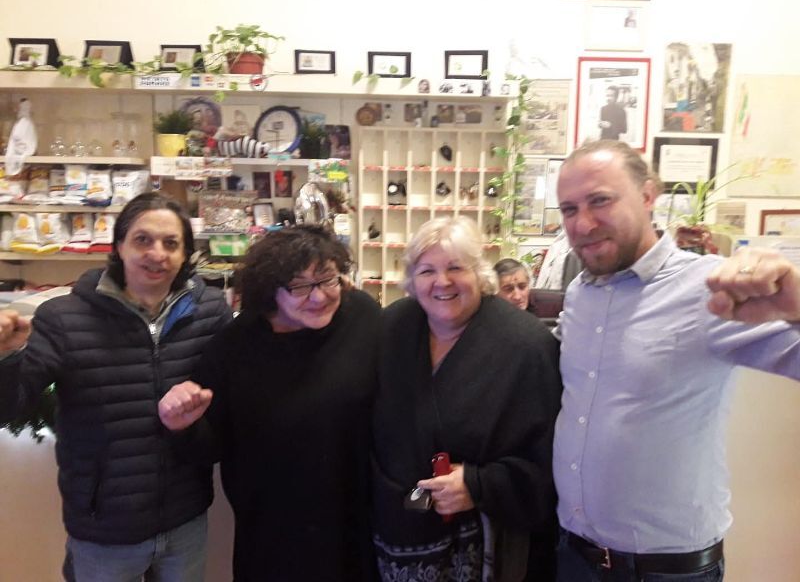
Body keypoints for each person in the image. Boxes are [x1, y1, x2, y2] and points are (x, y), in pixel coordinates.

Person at [553, 139, 800, 581]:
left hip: (665, 571)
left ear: (648, 195)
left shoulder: (709, 287)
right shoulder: (580, 293)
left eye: (600, 201)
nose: (583, 223)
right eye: (569, 209)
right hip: (575, 556)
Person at [0, 192, 233, 581]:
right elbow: (10, 408)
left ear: (185, 255)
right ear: (119, 246)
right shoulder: (65, 317)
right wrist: (8, 357)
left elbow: (226, 407)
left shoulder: (210, 312)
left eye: (171, 243)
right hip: (104, 529)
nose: (157, 253)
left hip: (185, 518)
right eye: (143, 240)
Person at [157, 225, 380, 581]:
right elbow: (211, 446)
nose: (319, 297)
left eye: (327, 279)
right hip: (272, 532)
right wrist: (182, 427)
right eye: (299, 287)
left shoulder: (362, 317)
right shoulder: (235, 347)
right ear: (269, 291)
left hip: (357, 521)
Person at [371, 216, 562, 581]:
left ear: (479, 273)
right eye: (427, 271)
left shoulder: (526, 346)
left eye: (456, 267)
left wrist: (479, 484)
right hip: (395, 537)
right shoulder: (393, 327)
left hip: (483, 544)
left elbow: (550, 457)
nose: (442, 281)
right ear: (411, 280)